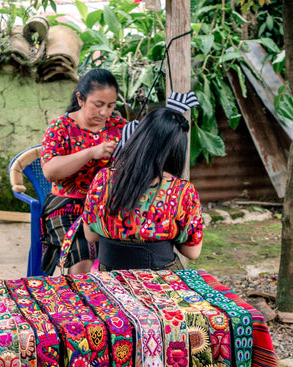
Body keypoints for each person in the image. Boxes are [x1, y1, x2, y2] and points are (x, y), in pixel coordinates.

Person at [82, 105, 203, 271]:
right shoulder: (182, 192)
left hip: (108, 278)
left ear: (139, 137)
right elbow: (192, 251)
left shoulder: (103, 179)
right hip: (160, 285)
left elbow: (91, 235)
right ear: (177, 150)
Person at [40, 68, 127, 275]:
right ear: (80, 98)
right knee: (83, 257)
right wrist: (91, 153)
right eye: (98, 105)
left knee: (130, 245)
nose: (105, 112)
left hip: (108, 205)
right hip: (68, 206)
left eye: (111, 106)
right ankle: (81, 303)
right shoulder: (61, 127)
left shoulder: (120, 127)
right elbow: (50, 171)